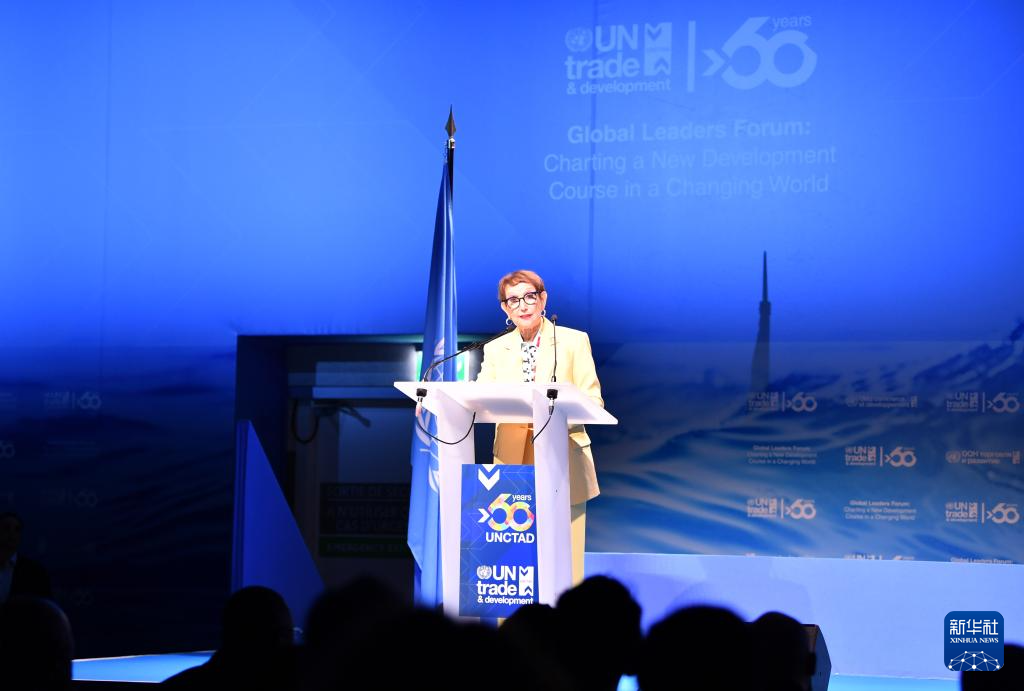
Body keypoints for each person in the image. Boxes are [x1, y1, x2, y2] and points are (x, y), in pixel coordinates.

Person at [476, 269, 603, 584]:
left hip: (563, 454)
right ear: (505, 308)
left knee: (565, 555)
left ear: (543, 299)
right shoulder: (495, 348)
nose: (522, 305)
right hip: (511, 458)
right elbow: (480, 396)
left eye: (529, 296)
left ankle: (567, 611)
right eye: (513, 300)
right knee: (512, 557)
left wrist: (557, 413)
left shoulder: (573, 341)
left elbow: (593, 400)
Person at [0, 511, 53, 604]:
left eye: (17, 529)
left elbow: (43, 606)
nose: (11, 534)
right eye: (6, 528)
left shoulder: (34, 572)